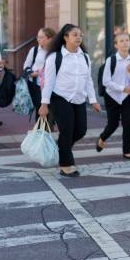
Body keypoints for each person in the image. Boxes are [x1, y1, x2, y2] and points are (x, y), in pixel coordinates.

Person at [39, 24, 100, 177]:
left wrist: (93, 100)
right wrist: (44, 104)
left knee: (80, 130)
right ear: (65, 38)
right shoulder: (55, 57)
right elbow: (49, 81)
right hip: (60, 98)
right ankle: (66, 164)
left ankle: (62, 148)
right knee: (67, 130)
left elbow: (88, 80)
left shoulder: (84, 57)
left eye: (80, 35)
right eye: (74, 34)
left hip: (78, 98)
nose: (79, 37)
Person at [97, 33, 130, 160]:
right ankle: (102, 138)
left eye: (127, 40)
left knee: (127, 123)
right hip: (112, 96)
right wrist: (123, 88)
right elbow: (106, 82)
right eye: (121, 41)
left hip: (126, 97)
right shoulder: (111, 60)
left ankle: (127, 151)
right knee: (113, 124)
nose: (125, 43)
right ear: (116, 45)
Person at [23, 28, 56, 119]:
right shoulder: (34, 50)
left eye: (41, 37)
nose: (38, 39)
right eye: (38, 37)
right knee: (40, 109)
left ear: (50, 39)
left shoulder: (56, 52)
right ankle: (40, 131)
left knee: (51, 109)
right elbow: (26, 65)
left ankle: (47, 128)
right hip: (36, 85)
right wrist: (31, 73)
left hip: (51, 85)